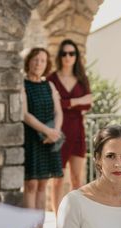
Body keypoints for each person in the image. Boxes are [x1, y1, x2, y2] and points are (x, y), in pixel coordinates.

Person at [22, 47, 63, 228]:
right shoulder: (23, 84)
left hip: (48, 140)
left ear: (47, 64)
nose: (39, 63)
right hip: (32, 139)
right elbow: (25, 114)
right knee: (30, 186)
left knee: (42, 187)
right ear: (29, 61)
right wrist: (47, 130)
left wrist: (55, 132)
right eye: (36, 59)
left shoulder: (50, 85)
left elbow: (58, 111)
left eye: (43, 60)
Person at [48, 39, 92, 214]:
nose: (68, 57)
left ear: (76, 56)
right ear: (60, 56)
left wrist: (67, 102)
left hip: (77, 132)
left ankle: (75, 218)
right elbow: (53, 105)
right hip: (59, 131)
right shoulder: (51, 78)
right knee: (57, 179)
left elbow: (88, 103)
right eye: (64, 53)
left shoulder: (82, 79)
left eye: (71, 53)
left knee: (76, 179)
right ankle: (59, 220)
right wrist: (77, 102)